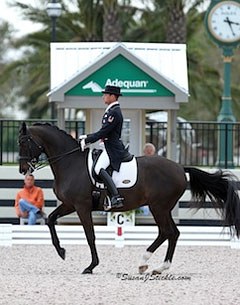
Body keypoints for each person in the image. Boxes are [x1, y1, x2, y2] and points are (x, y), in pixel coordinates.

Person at [79, 85, 128, 209]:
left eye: (105, 94)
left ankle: (115, 197)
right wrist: (87, 136)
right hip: (106, 146)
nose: (103, 97)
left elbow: (104, 132)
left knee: (98, 168)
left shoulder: (115, 112)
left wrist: (88, 140)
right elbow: (103, 131)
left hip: (112, 148)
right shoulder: (111, 110)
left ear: (112, 96)